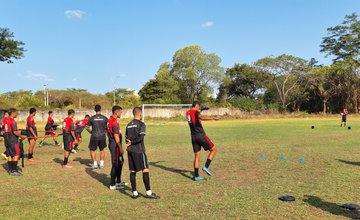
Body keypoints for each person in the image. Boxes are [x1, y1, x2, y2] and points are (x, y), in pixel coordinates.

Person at [125, 107, 160, 199]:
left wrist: (130, 143)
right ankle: (149, 193)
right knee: (145, 169)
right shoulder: (141, 124)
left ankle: (135, 193)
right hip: (139, 150)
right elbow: (140, 138)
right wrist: (132, 143)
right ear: (140, 114)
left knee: (133, 171)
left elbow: (126, 139)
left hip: (130, 150)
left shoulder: (128, 125)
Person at [186, 101, 217, 181]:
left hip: (193, 136)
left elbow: (195, 114)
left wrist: (202, 109)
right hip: (200, 135)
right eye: (199, 107)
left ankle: (196, 176)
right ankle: (206, 167)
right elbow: (200, 117)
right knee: (213, 150)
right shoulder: (196, 112)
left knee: (197, 157)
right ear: (196, 106)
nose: (199, 108)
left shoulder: (188, 112)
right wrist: (213, 118)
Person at [108, 106, 126, 190]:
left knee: (121, 162)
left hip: (114, 144)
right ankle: (112, 184)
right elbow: (115, 135)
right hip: (115, 146)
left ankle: (118, 181)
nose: (121, 114)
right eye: (120, 112)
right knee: (115, 164)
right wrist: (120, 147)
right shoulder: (114, 122)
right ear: (116, 112)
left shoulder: (110, 120)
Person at [3, 108, 26, 176]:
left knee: (10, 155)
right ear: (13, 113)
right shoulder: (12, 121)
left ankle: (10, 170)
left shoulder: (6, 120)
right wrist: (21, 136)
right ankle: (14, 170)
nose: (17, 114)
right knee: (16, 154)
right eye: (16, 113)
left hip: (7, 140)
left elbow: (4, 130)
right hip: (13, 140)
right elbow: (15, 131)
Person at [86, 105, 108, 169]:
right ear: (100, 109)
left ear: (94, 110)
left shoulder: (91, 118)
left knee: (92, 150)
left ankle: (95, 164)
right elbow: (107, 127)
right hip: (102, 136)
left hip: (94, 136)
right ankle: (101, 164)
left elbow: (87, 127)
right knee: (102, 149)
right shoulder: (104, 118)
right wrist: (105, 132)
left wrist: (91, 132)